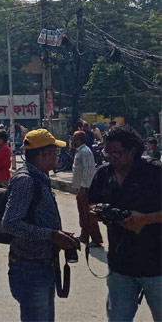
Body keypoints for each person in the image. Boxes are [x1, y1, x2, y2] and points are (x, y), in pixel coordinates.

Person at [88, 125, 162, 322]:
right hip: (120, 265)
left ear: (132, 151)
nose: (111, 157)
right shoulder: (104, 174)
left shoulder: (155, 172)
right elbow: (91, 203)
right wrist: (99, 213)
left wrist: (145, 219)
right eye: (107, 152)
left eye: (117, 153)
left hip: (156, 265)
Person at [2, 129, 77, 322]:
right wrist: (51, 235)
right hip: (30, 268)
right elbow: (10, 224)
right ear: (44, 154)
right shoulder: (26, 181)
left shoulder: (39, 177)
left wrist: (58, 234)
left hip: (42, 264)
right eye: (55, 152)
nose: (57, 157)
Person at [71, 130, 102, 247]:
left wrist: (83, 187)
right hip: (80, 188)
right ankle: (84, 235)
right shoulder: (79, 151)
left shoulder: (85, 151)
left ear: (79, 140)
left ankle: (96, 238)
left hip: (86, 188)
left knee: (89, 214)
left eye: (74, 138)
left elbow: (88, 170)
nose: (72, 141)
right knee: (82, 213)